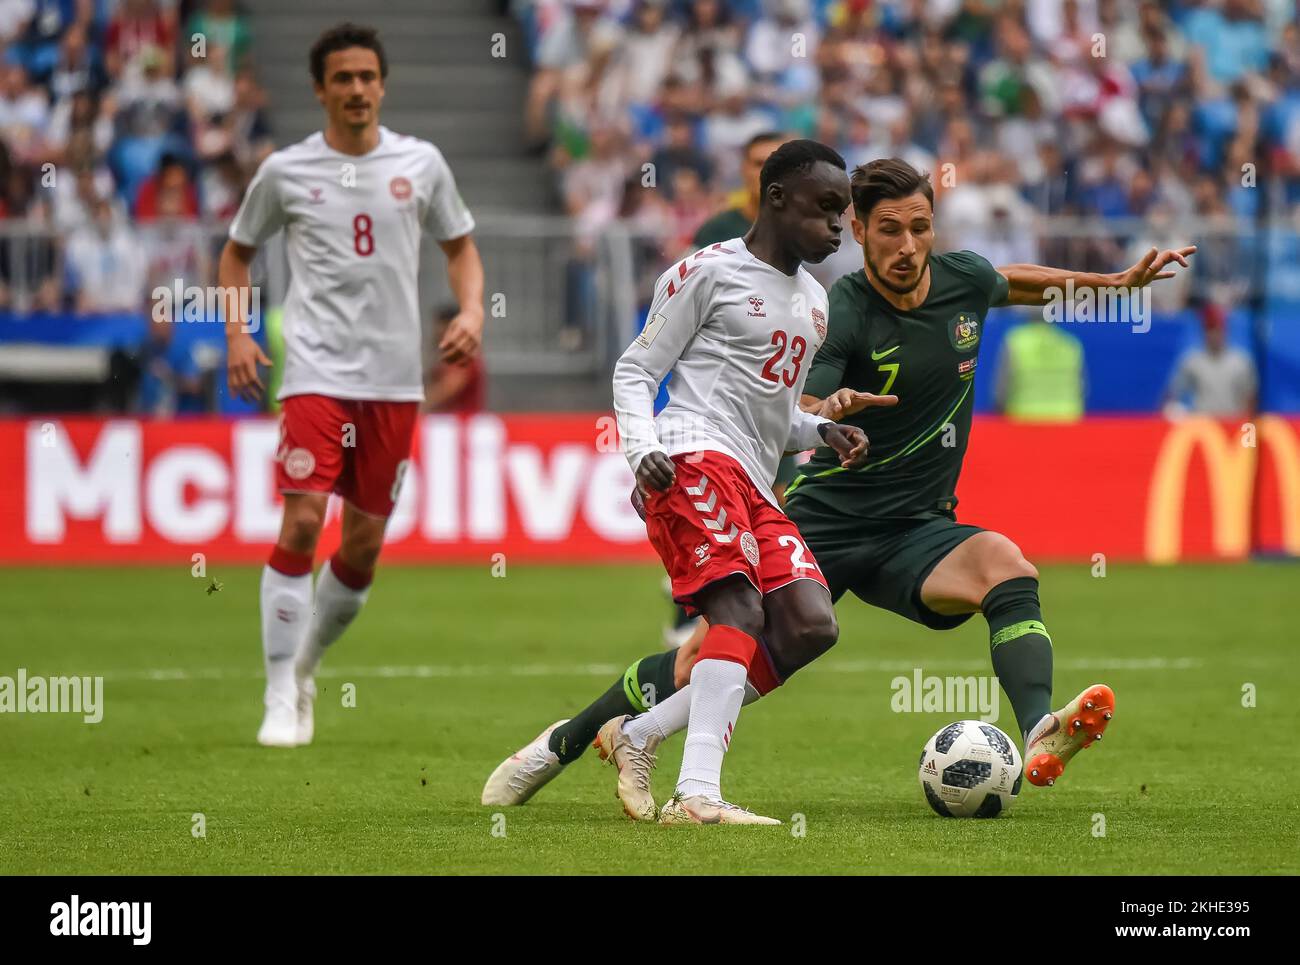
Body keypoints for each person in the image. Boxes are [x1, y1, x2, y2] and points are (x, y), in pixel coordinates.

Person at [485, 157, 1195, 817]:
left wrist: (1115, 285)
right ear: (858, 231)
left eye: (920, 228)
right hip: (826, 517)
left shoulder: (962, 281)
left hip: (917, 527)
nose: (907, 245)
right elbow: (794, 405)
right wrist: (829, 416)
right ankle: (567, 741)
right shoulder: (840, 307)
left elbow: (1014, 281)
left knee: (1008, 567)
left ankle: (1039, 724)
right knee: (711, 649)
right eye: (888, 230)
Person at [486, 140, 877, 825]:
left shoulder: (815, 304)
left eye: (842, 213)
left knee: (813, 624)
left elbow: (774, 414)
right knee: (739, 614)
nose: (837, 226)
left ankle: (642, 731)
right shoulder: (706, 272)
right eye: (825, 209)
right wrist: (641, 449)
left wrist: (822, 432)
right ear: (776, 198)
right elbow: (636, 370)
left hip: (753, 479)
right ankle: (697, 794)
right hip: (692, 454)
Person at [218, 22, 485, 747]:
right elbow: (236, 254)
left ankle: (304, 667)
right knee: (303, 519)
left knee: (363, 544)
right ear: (320, 89)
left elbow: (460, 247)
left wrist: (468, 310)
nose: (358, 89)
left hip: (394, 383)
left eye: (368, 77)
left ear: (383, 85)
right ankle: (277, 692)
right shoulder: (285, 171)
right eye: (343, 78)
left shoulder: (420, 163)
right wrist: (239, 333)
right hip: (314, 370)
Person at [1162, 303, 1256, 417]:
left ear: (1225, 330)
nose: (1214, 335)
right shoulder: (1193, 361)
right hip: (1203, 426)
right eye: (1210, 329)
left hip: (1233, 425)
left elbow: (1251, 399)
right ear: (1204, 331)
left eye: (1217, 329)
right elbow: (1172, 395)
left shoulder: (1241, 361)